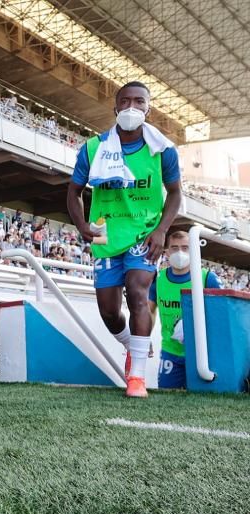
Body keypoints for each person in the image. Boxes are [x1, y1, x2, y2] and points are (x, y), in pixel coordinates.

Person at [67, 81, 181, 398]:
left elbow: (175, 194)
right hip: (105, 234)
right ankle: (133, 345)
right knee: (108, 311)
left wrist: (161, 230)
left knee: (137, 292)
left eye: (139, 101)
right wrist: (81, 224)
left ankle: (137, 378)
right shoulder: (93, 147)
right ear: (116, 108)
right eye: (126, 101)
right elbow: (73, 193)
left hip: (145, 233)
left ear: (148, 108)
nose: (132, 107)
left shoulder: (163, 150)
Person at [148, 230, 221, 389]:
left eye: (185, 247)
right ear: (167, 252)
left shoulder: (208, 278)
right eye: (174, 248)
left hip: (202, 355)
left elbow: (221, 316)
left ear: (194, 250)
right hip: (171, 353)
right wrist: (145, 337)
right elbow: (149, 311)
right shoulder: (158, 279)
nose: (180, 252)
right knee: (167, 399)